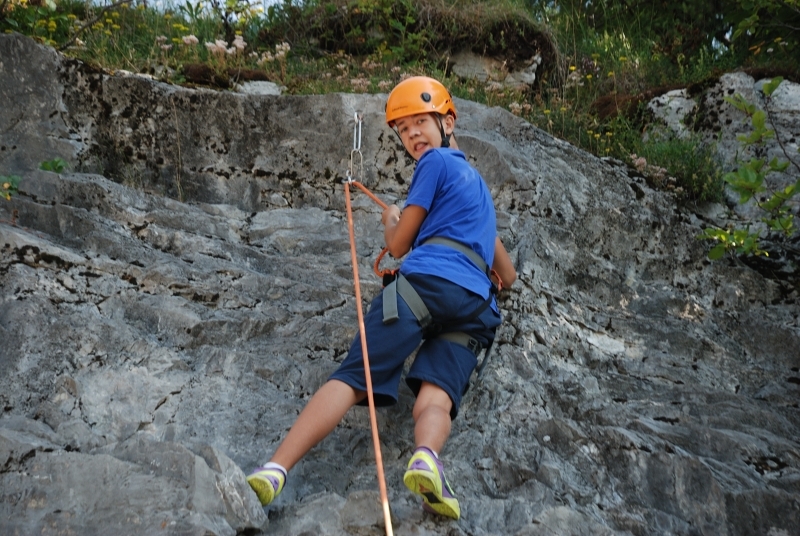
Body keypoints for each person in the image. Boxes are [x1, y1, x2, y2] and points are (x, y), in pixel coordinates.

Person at [245, 76, 517, 520]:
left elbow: (398, 246)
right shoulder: (480, 190)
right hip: (475, 308)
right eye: (404, 129)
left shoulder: (435, 164)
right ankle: (427, 458)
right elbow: (507, 274)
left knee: (354, 377)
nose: (413, 135)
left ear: (448, 122)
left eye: (420, 123)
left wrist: (393, 220)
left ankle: (275, 469)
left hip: (424, 286)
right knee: (436, 396)